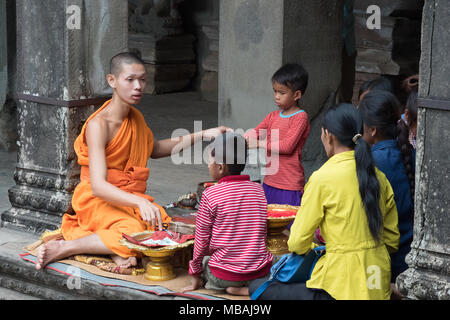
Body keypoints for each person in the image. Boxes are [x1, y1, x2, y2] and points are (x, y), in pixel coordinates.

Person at [36, 52, 230, 271]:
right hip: (96, 199)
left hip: (128, 198)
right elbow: (99, 187)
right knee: (133, 230)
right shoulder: (98, 125)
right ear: (112, 81)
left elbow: (155, 149)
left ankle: (115, 251)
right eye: (130, 80)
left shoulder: (135, 117)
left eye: (142, 79)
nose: (138, 86)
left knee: (165, 229)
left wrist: (204, 134)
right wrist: (140, 203)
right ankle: (66, 247)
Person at [249, 103, 400, 300]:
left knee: (258, 288)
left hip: (338, 287)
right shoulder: (379, 176)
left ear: (328, 135)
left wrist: (322, 249)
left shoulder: (322, 178)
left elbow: (297, 243)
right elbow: (391, 239)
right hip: (376, 280)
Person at [181, 133, 273, 296]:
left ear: (221, 167)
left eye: (210, 162)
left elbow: (201, 241)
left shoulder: (210, 194)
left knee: (206, 264)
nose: (208, 166)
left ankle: (230, 288)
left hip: (225, 277)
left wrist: (195, 275)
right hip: (258, 272)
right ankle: (249, 289)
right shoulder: (258, 190)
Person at [359, 90, 415, 298]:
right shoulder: (412, 153)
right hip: (409, 253)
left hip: (383, 259)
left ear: (372, 130)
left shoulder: (371, 163)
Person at [244, 63, 310, 207]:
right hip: (270, 180)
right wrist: (239, 139)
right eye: (275, 91)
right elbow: (255, 132)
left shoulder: (300, 117)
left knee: (288, 224)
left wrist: (259, 144)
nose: (276, 97)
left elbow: (287, 147)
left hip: (289, 183)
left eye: (282, 92)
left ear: (297, 95)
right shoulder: (273, 116)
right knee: (269, 222)